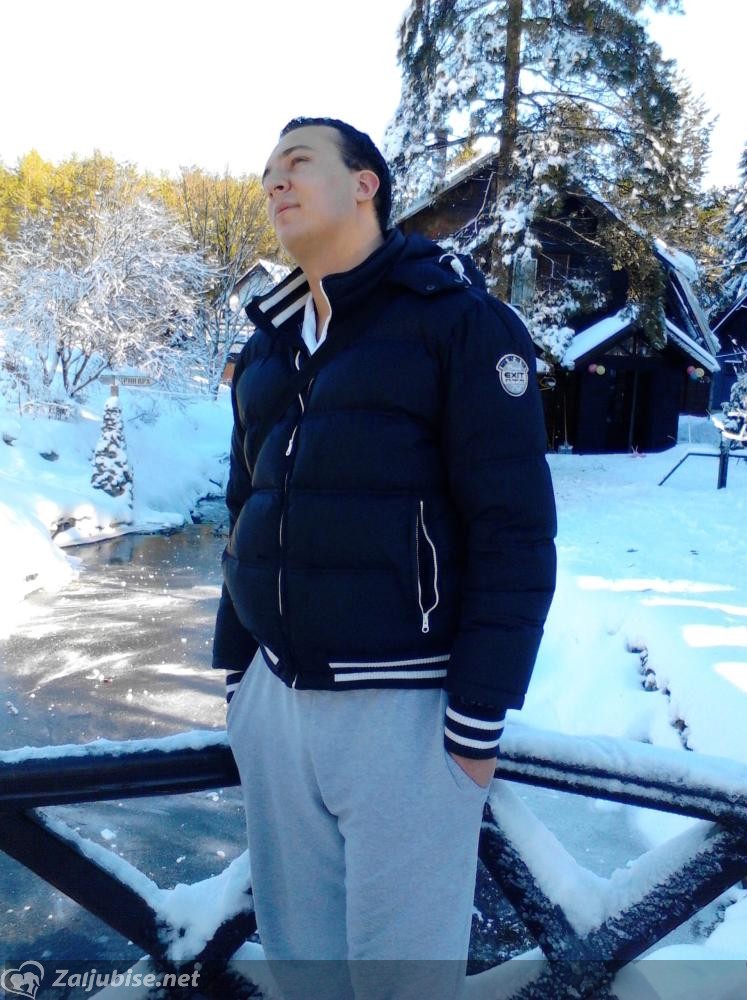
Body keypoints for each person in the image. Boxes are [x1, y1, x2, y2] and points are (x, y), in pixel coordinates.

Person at [213, 117, 557, 1000]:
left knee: (403, 983)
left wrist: (476, 718)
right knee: (304, 973)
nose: (275, 182)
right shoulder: (269, 344)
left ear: (365, 183)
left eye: (298, 162)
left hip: (405, 711)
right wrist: (237, 678)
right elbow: (245, 511)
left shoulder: (460, 322)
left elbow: (515, 530)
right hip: (275, 701)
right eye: (268, 170)